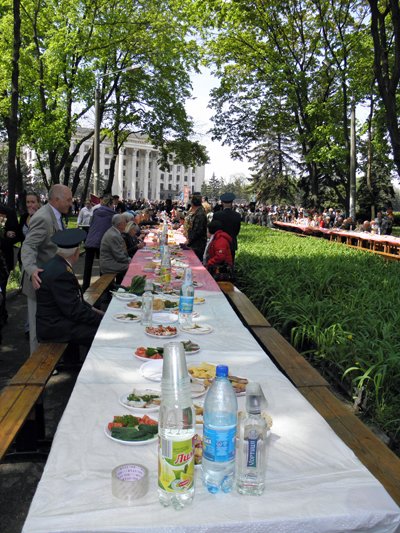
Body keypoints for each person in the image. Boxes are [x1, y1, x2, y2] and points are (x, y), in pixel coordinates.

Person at [21, 184, 73, 353]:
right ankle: (32, 372)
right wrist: (31, 269)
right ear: (56, 200)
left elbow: (52, 245)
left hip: (50, 282)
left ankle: (48, 360)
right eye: (68, 200)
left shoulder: (56, 214)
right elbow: (28, 246)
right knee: (37, 329)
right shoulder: (43, 218)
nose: (71, 203)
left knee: (50, 324)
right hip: (39, 281)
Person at [36, 228, 103, 347]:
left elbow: (75, 301)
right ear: (76, 252)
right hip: (54, 327)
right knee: (102, 333)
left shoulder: (57, 264)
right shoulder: (61, 272)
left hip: (57, 321)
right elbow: (74, 310)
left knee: (97, 326)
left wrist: (94, 311)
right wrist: (102, 320)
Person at [81, 195, 115, 292]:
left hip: (90, 240)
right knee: (103, 266)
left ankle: (85, 287)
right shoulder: (112, 215)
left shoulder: (95, 212)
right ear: (109, 204)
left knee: (88, 266)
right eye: (112, 204)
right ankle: (102, 288)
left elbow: (91, 224)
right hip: (101, 242)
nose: (113, 206)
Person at [0, 203, 19, 324]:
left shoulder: (8, 212)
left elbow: (16, 235)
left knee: (1, 289)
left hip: (3, 260)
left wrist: (7, 235)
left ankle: (2, 316)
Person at [99, 214, 130, 285]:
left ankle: (121, 286)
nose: (126, 224)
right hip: (109, 265)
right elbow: (119, 256)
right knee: (132, 268)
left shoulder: (113, 232)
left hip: (112, 262)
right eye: (125, 222)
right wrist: (129, 260)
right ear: (119, 225)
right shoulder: (114, 235)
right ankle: (124, 287)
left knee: (131, 266)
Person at [212, 192, 241, 261]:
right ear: (232, 203)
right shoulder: (237, 215)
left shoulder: (217, 215)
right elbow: (237, 231)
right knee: (230, 264)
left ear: (222, 203)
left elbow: (213, 228)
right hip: (231, 243)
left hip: (219, 243)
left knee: (218, 264)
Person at [184, 195, 208, 261]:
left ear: (192, 203)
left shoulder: (200, 214)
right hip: (195, 243)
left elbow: (197, 231)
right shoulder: (198, 212)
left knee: (194, 261)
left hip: (197, 245)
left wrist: (189, 241)